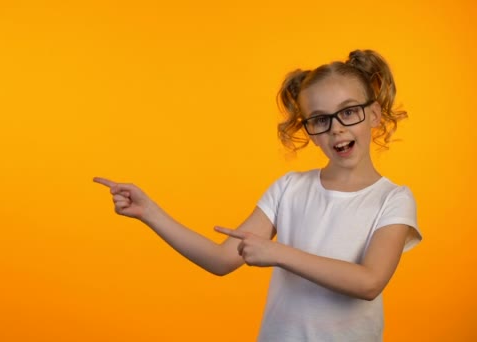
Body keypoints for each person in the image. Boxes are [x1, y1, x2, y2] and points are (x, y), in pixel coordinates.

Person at [94, 49, 422, 341]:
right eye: (320, 119)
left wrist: (279, 253)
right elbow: (221, 260)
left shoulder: (393, 199)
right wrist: (149, 212)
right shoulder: (289, 189)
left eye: (349, 112)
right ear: (308, 130)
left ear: (375, 115)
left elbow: (369, 283)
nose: (336, 128)